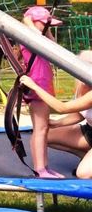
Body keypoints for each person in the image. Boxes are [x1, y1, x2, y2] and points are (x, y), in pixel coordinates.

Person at [21, 49, 92, 179]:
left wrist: (35, 87)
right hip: (89, 132)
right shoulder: (82, 85)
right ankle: (87, 155)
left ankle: (88, 163)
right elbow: (80, 113)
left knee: (83, 174)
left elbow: (62, 108)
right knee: (45, 137)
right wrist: (57, 123)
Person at [18, 4, 63, 178]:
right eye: (44, 24)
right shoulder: (29, 38)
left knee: (43, 128)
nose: (47, 28)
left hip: (43, 86)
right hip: (36, 87)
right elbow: (38, 36)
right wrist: (28, 21)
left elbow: (54, 48)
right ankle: (40, 169)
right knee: (40, 128)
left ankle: (44, 167)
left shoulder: (39, 38)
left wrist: (47, 28)